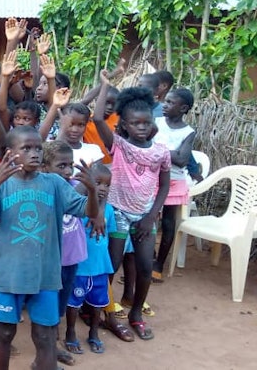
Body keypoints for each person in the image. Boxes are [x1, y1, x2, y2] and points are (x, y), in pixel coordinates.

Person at [0, 126, 99, 370]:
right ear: (11, 153)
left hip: (45, 275)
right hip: (9, 275)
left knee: (45, 335)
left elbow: (89, 212)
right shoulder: (3, 184)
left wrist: (93, 191)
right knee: (3, 334)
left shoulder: (53, 183)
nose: (35, 153)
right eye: (27, 148)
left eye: (38, 148)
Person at [93, 72, 171, 340]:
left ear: (152, 124)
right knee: (112, 265)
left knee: (145, 267)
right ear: (124, 125)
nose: (141, 127)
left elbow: (164, 186)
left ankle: (136, 313)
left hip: (145, 216)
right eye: (135, 123)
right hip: (117, 214)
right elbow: (96, 118)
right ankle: (104, 311)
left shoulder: (161, 151)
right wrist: (105, 84)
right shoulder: (119, 146)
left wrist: (151, 217)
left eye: (146, 123)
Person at [40, 140, 89, 364]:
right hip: (51, 260)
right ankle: (49, 347)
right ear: (45, 167)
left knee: (60, 303)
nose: (68, 170)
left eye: (70, 165)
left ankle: (54, 342)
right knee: (46, 305)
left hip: (71, 256)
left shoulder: (72, 186)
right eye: (61, 166)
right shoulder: (43, 189)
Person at [64, 163, 116, 355]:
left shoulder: (108, 211)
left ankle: (94, 333)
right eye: (98, 183)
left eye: (107, 185)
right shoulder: (78, 207)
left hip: (100, 267)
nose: (103, 188)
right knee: (73, 303)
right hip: (80, 267)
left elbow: (110, 238)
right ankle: (70, 332)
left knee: (97, 304)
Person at [152, 88, 196, 283]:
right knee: (146, 218)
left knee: (168, 223)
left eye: (170, 103)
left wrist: (157, 149)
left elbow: (182, 159)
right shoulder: (156, 123)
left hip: (174, 180)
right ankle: (143, 259)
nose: (165, 105)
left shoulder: (188, 132)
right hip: (150, 177)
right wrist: (171, 153)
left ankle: (158, 264)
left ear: (183, 108)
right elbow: (144, 144)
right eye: (165, 101)